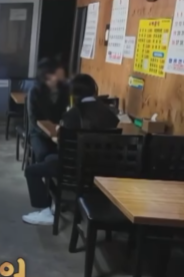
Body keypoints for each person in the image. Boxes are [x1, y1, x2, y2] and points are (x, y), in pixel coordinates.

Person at [22, 73, 119, 225]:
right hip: (103, 169)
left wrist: (60, 131)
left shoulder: (72, 115)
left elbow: (62, 145)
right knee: (48, 158)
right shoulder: (111, 113)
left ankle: (46, 210)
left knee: (32, 170)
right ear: (94, 90)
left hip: (74, 169)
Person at [26, 58, 69, 163]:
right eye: (59, 69)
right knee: (43, 154)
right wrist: (50, 135)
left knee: (67, 154)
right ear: (48, 74)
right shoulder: (35, 92)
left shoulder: (66, 89)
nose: (63, 71)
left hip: (60, 132)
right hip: (38, 133)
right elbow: (33, 119)